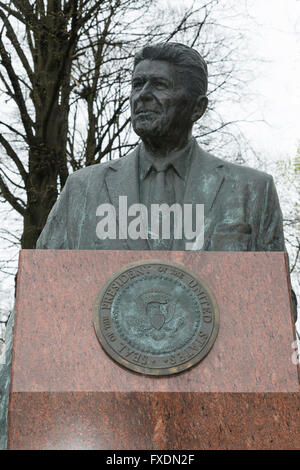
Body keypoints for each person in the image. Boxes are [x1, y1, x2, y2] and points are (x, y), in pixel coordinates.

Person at [36, 42, 297, 319]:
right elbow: (37, 289)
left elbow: (278, 306)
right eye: (137, 85)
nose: (142, 96)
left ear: (198, 108)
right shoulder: (83, 189)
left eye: (159, 85)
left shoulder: (251, 190)